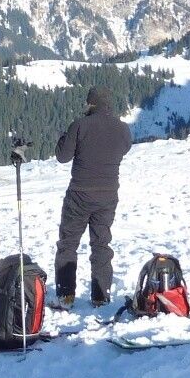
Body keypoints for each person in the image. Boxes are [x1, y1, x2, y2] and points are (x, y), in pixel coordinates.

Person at [53, 87, 133, 309]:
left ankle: (66, 296)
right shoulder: (123, 129)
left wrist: (62, 138)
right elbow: (124, 149)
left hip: (80, 194)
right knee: (101, 244)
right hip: (108, 195)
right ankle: (100, 296)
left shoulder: (80, 125)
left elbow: (63, 157)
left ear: (91, 103)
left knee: (68, 243)